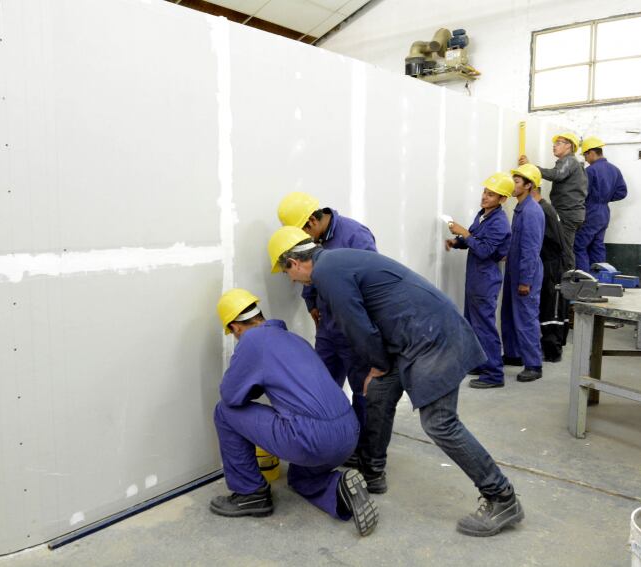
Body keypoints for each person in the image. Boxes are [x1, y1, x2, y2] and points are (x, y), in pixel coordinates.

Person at [267, 227, 525, 537]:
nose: (292, 280)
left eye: (287, 273)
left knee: (440, 423)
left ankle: (502, 496)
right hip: (408, 337)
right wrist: (379, 367)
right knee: (378, 393)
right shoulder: (335, 262)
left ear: (295, 262)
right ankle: (372, 470)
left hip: (432, 337)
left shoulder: (326, 273)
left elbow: (357, 326)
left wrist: (376, 364)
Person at [211, 288, 378, 536]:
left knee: (224, 412)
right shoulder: (294, 340)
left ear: (236, 327)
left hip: (312, 438)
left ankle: (250, 494)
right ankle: (340, 489)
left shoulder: (252, 341)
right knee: (300, 479)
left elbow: (231, 395)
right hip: (347, 436)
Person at [276, 192, 381, 488]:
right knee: (322, 386)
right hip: (328, 332)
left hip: (352, 330)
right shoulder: (313, 240)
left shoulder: (355, 235)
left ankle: (367, 452)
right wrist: (311, 303)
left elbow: (370, 283)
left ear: (313, 220)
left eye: (304, 232)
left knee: (363, 391)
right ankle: (327, 445)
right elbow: (308, 273)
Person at [445, 173, 513, 389]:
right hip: (475, 278)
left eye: (491, 194)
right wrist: (457, 242)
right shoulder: (483, 215)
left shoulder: (500, 223)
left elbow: (484, 250)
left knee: (484, 326)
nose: (485, 197)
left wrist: (464, 232)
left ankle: (494, 374)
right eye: (485, 192)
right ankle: (480, 363)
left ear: (502, 199)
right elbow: (473, 240)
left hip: (485, 279)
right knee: (472, 323)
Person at [520, 164, 570, 362]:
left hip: (552, 267)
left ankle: (552, 351)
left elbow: (550, 244)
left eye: (517, 182)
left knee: (552, 309)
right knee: (547, 307)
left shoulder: (543, 211)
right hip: (547, 263)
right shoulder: (541, 209)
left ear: (531, 187)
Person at [502, 165, 546, 382]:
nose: (513, 184)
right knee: (510, 314)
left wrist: (525, 281)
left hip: (525, 273)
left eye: (517, 181)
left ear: (529, 185)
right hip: (514, 269)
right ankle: (513, 354)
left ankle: (534, 364)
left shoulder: (530, 211)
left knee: (526, 318)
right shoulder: (520, 208)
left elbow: (531, 248)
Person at [519, 132, 587, 270]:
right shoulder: (574, 164)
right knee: (565, 248)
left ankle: (568, 285)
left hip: (567, 213)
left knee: (565, 250)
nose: (554, 146)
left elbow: (557, 174)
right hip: (571, 213)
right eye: (554, 144)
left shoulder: (569, 161)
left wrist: (532, 168)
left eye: (558, 143)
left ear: (569, 146)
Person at [574, 136, 628, 272]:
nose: (585, 159)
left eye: (585, 155)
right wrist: (606, 198)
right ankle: (601, 280)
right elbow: (622, 192)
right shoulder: (615, 169)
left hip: (591, 212)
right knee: (597, 246)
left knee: (579, 246)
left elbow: (582, 193)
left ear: (591, 152)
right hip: (604, 212)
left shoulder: (590, 171)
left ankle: (585, 281)